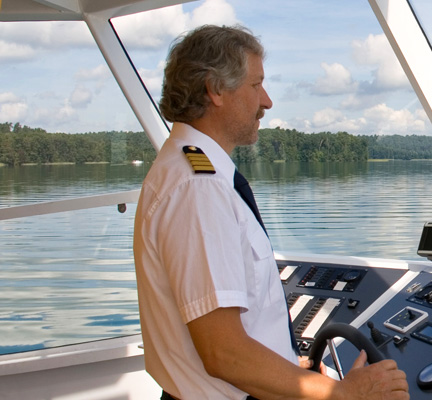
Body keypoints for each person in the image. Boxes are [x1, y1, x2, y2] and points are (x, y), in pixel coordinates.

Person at [133, 25, 408, 400]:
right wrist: (343, 393)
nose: (267, 101)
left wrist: (287, 367)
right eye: (256, 85)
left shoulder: (185, 169)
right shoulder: (199, 188)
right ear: (215, 89)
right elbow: (223, 353)